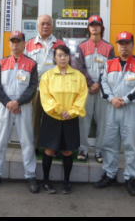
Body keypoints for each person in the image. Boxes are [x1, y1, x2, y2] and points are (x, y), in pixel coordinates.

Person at [0, 31, 40, 193]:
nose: (15, 45)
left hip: (24, 106)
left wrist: (18, 102)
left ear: (24, 44)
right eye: (13, 42)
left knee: (27, 142)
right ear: (9, 44)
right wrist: (8, 102)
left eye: (18, 41)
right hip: (5, 106)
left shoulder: (31, 63)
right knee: (0, 141)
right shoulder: (1, 63)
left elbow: (33, 87)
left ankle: (30, 175)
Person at [96, 31, 135, 196]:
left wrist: (126, 99)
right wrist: (112, 99)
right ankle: (109, 174)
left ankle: (131, 178)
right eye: (121, 43)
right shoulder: (109, 63)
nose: (124, 47)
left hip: (130, 110)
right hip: (112, 109)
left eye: (127, 43)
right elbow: (103, 82)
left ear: (133, 45)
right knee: (110, 143)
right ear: (117, 46)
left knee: (131, 146)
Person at [39, 44, 88, 194]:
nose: (62, 58)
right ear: (54, 57)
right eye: (59, 55)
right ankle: (46, 181)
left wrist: (72, 111)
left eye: (65, 55)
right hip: (52, 117)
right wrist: (59, 110)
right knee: (49, 149)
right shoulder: (48, 76)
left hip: (70, 118)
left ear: (69, 57)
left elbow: (82, 95)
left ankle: (67, 182)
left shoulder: (78, 76)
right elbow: (45, 96)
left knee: (68, 151)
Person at [72, 15, 115, 164]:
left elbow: (111, 69)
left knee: (102, 122)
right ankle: (83, 149)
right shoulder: (82, 46)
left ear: (102, 28)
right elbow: (78, 67)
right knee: (84, 120)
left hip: (103, 90)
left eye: (97, 25)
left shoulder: (109, 48)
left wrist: (100, 84)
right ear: (88, 28)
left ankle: (99, 151)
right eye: (92, 25)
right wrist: (91, 83)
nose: (94, 27)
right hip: (86, 90)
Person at [25, 14, 65, 147]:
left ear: (52, 26)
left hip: (54, 91)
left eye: (48, 24)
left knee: (53, 119)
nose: (46, 26)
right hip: (35, 90)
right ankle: (34, 146)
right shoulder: (30, 44)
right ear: (38, 26)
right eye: (43, 23)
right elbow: (25, 67)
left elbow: (66, 66)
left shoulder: (60, 44)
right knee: (34, 119)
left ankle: (51, 147)